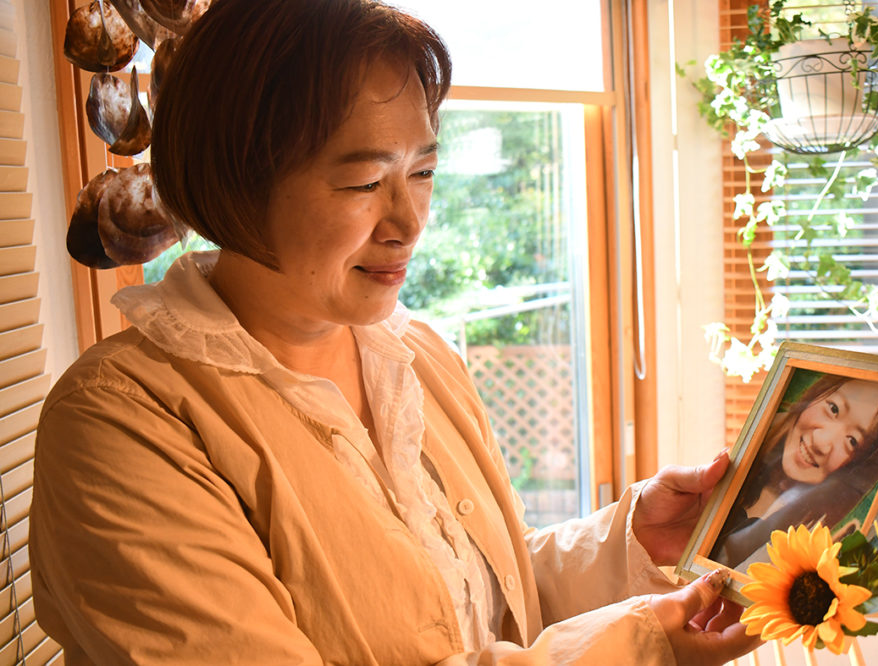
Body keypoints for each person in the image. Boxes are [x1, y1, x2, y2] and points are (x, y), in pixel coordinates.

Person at [29, 1, 759, 664]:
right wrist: (634, 650)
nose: (409, 222)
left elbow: (473, 602)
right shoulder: (123, 422)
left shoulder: (416, 355)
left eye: (424, 172)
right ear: (235, 177)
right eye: (363, 182)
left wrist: (629, 541)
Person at [709, 373, 878, 571]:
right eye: (833, 408)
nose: (821, 442)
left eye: (852, 441)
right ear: (819, 391)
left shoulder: (817, 543)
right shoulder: (755, 446)